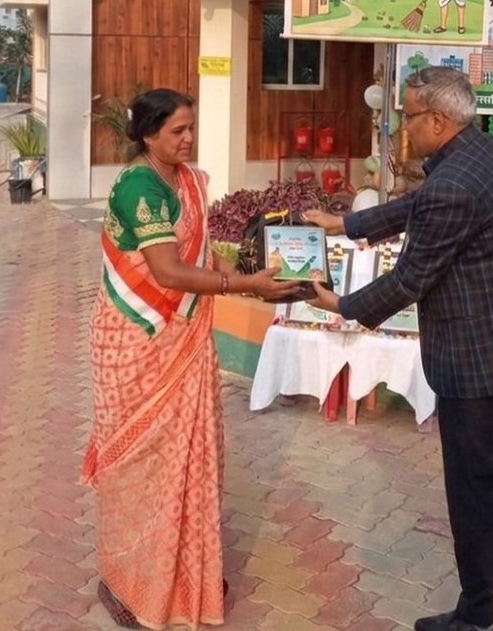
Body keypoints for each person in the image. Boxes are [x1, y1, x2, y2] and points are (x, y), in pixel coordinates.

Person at [307, 67, 493, 631]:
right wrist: (349, 223)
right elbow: (422, 206)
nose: (401, 127)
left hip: (481, 361)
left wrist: (343, 305)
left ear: (437, 119)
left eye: (407, 116)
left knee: (474, 483)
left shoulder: (454, 183)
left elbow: (410, 280)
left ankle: (482, 616)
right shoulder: (482, 153)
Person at [82, 89, 300, 630]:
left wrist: (253, 271)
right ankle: (135, 582)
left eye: (191, 128)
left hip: (182, 338)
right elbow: (170, 273)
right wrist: (244, 283)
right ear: (148, 135)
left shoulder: (186, 182)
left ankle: (185, 575)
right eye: (177, 131)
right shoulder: (140, 186)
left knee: (189, 460)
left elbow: (196, 258)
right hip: (138, 340)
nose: (188, 138)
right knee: (143, 466)